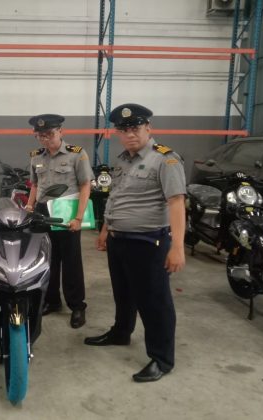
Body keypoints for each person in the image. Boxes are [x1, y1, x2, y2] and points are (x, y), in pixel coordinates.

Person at [84, 103, 186, 383]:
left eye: (135, 128)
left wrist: (177, 246)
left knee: (154, 301)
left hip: (148, 242)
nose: (130, 134)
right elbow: (116, 197)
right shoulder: (122, 161)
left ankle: (162, 359)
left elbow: (176, 203)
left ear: (148, 128)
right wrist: (105, 229)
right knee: (124, 293)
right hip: (119, 239)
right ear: (117, 132)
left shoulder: (166, 159)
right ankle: (121, 333)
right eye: (124, 129)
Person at [24, 114, 93, 329]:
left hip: (66, 212)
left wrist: (78, 217)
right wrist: (29, 206)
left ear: (60, 131)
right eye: (40, 136)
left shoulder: (77, 154)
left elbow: (85, 186)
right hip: (42, 212)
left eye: (49, 134)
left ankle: (77, 306)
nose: (45, 139)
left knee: (71, 262)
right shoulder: (36, 157)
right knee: (47, 260)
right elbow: (35, 185)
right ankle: (52, 300)